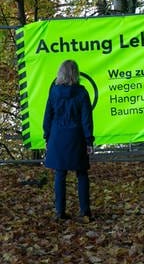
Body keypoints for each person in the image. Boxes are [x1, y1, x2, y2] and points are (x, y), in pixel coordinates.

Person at [43, 60, 94, 222]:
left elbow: (48, 116)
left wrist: (47, 136)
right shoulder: (82, 93)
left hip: (57, 136)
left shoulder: (54, 92)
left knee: (60, 173)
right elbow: (87, 119)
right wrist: (89, 140)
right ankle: (85, 211)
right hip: (76, 137)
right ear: (76, 74)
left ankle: (60, 212)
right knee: (82, 173)